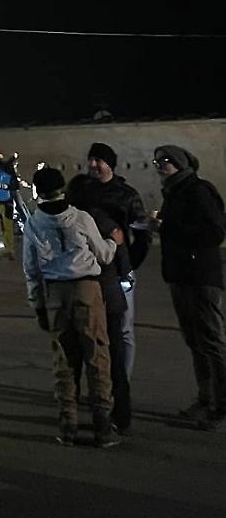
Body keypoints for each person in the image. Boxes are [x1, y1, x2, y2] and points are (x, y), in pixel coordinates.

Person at [24, 166, 121, 447]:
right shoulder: (80, 217)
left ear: (39, 191)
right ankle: (103, 426)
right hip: (86, 289)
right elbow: (102, 255)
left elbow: (31, 269)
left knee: (64, 361)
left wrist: (37, 304)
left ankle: (68, 424)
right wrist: (113, 244)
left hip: (54, 293)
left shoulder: (34, 223)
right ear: (62, 188)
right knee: (97, 356)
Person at [153, 145, 226, 429]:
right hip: (180, 275)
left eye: (166, 161)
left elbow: (215, 232)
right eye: (157, 161)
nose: (160, 165)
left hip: (201, 277)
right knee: (195, 341)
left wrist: (166, 228)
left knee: (211, 341)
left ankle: (221, 405)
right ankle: (205, 398)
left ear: (182, 165)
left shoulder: (198, 190)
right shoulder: (174, 192)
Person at [67, 175, 131, 434]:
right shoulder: (101, 220)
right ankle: (117, 416)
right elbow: (121, 259)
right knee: (110, 358)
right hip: (107, 295)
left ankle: (70, 416)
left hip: (79, 296)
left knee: (75, 358)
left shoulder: (68, 219)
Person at [86, 142, 150, 378]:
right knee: (95, 329)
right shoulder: (83, 192)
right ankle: (102, 382)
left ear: (109, 164)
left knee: (123, 329)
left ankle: (123, 381)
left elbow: (142, 234)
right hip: (90, 269)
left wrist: (131, 263)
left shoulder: (126, 194)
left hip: (120, 270)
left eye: (98, 160)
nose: (93, 165)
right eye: (91, 159)